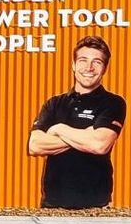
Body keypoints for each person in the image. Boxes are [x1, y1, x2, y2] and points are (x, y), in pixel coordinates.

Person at [26, 36, 125, 209]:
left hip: (96, 207)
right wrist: (85, 135)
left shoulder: (113, 103)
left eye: (97, 62)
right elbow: (35, 146)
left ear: (105, 69)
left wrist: (59, 128)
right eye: (83, 60)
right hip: (52, 206)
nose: (89, 67)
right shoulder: (54, 103)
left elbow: (99, 145)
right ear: (73, 65)